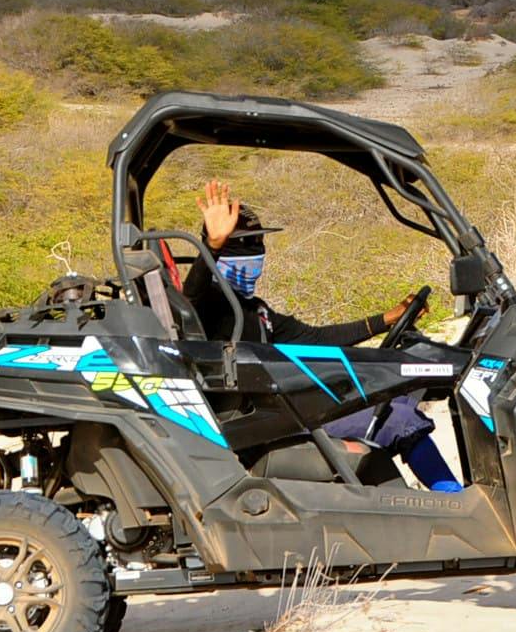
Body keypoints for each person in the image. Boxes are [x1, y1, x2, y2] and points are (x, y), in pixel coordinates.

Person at [183, 179, 463, 493]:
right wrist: (212, 246)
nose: (256, 255)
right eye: (246, 246)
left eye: (258, 244)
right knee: (400, 419)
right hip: (266, 424)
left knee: (394, 400)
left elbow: (316, 338)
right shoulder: (207, 307)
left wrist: (388, 318)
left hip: (286, 411)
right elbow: (192, 294)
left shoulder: (257, 311)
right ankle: (453, 500)